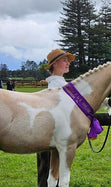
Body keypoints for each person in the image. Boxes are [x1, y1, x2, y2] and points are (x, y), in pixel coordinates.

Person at [37, 48, 75, 187]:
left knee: (51, 172)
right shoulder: (57, 85)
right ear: (54, 64)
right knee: (51, 170)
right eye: (64, 60)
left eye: (68, 60)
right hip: (56, 134)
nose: (68, 63)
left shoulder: (61, 83)